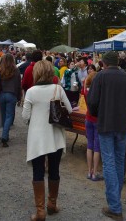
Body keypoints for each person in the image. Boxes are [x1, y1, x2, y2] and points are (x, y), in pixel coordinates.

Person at [87, 51, 126, 221]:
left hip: (106, 125)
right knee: (118, 161)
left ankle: (115, 207)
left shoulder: (100, 77)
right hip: (123, 125)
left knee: (110, 163)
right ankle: (115, 202)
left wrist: (98, 114)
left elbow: (92, 103)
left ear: (104, 63)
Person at [22, 60, 72, 221]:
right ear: (51, 72)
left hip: (37, 138)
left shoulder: (31, 92)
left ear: (36, 73)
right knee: (54, 170)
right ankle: (52, 204)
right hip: (55, 136)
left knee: (37, 172)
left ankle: (40, 211)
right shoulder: (58, 89)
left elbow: (24, 117)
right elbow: (69, 109)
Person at [0, 53, 22, 147]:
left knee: (3, 116)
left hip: (1, 94)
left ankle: (4, 134)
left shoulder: (0, 70)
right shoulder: (16, 70)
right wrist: (19, 97)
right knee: (9, 116)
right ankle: (4, 136)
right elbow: (19, 85)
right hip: (12, 95)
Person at [83, 64, 103, 181]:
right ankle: (95, 172)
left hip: (88, 118)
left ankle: (89, 171)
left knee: (89, 145)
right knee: (97, 147)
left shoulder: (86, 91)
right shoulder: (99, 93)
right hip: (97, 120)